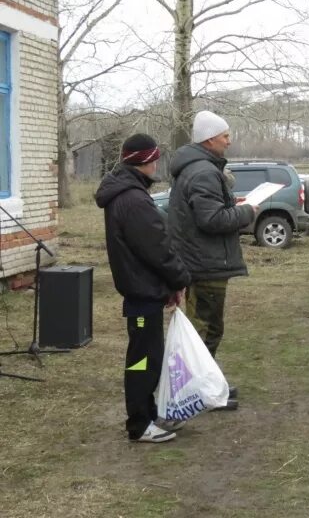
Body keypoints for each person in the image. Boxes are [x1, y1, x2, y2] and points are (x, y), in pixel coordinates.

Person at [95, 134, 191, 443]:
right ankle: (139, 423)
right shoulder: (133, 200)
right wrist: (179, 280)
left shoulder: (128, 193)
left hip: (144, 290)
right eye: (154, 159)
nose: (157, 164)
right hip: (141, 292)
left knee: (149, 356)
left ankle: (149, 414)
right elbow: (157, 249)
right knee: (142, 360)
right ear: (143, 161)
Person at [167, 111, 258, 409]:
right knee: (206, 329)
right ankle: (202, 393)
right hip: (205, 264)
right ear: (209, 139)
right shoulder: (203, 172)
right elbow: (212, 219)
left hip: (200, 261)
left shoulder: (198, 169)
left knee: (204, 327)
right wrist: (247, 212)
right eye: (225, 136)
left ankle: (209, 385)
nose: (229, 141)